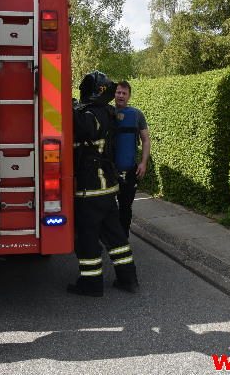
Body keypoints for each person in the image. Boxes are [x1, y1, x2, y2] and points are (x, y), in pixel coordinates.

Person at [68, 71, 139, 297]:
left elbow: (79, 125)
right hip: (107, 188)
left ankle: (91, 284)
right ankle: (128, 279)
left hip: (91, 189)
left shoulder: (92, 115)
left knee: (87, 238)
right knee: (116, 237)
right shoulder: (108, 112)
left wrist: (66, 105)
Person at [113, 81, 150, 237]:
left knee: (125, 207)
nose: (121, 95)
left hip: (129, 170)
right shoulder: (106, 112)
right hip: (108, 170)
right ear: (114, 94)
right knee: (105, 207)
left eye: (124, 93)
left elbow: (146, 139)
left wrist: (143, 163)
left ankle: (123, 238)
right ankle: (109, 237)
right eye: (118, 92)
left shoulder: (137, 115)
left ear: (129, 96)